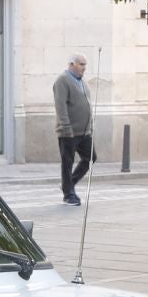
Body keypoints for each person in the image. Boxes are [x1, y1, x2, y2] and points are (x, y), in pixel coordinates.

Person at [53, 52, 93, 206]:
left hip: (84, 132)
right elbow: (60, 106)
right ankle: (68, 195)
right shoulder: (62, 80)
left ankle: (69, 184)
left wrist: (90, 126)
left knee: (90, 158)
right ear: (72, 65)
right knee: (67, 162)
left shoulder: (82, 82)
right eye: (81, 64)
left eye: (85, 65)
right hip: (68, 132)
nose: (84, 68)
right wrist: (66, 127)